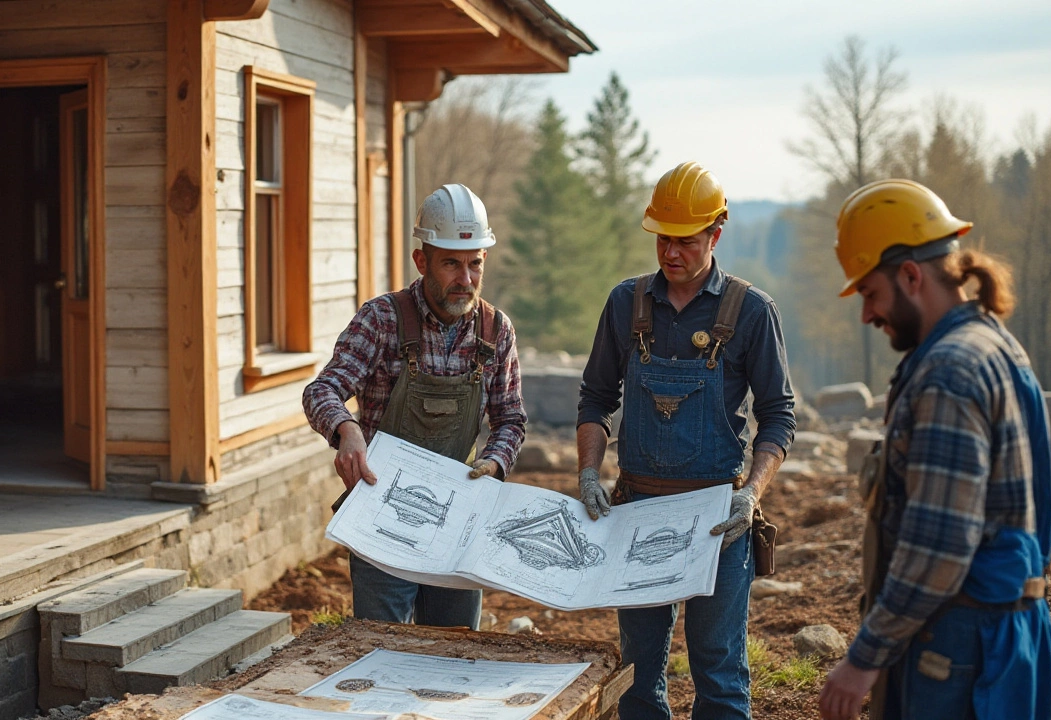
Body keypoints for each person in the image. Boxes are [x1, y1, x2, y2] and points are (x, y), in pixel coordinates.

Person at [817, 179, 1051, 720]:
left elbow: (940, 545)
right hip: (997, 639)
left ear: (910, 275)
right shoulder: (994, 343)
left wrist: (863, 658)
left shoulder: (949, 372)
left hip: (957, 652)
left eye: (871, 294)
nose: (866, 315)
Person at [576, 161, 796, 720]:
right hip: (638, 510)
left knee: (719, 669)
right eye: (664, 239)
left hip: (717, 518)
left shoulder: (750, 311)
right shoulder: (627, 304)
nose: (672, 253)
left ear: (716, 235)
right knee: (639, 671)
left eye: (687, 241)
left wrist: (751, 492)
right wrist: (587, 472)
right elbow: (596, 398)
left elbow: (778, 414)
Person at [302, 183, 527, 630]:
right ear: (421, 260)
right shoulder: (383, 320)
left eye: (474, 264)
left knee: (455, 649)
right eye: (451, 264)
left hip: (458, 519)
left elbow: (511, 420)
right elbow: (321, 391)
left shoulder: (495, 332)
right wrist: (346, 430)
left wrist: (494, 464)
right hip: (380, 517)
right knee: (379, 648)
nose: (465, 279)